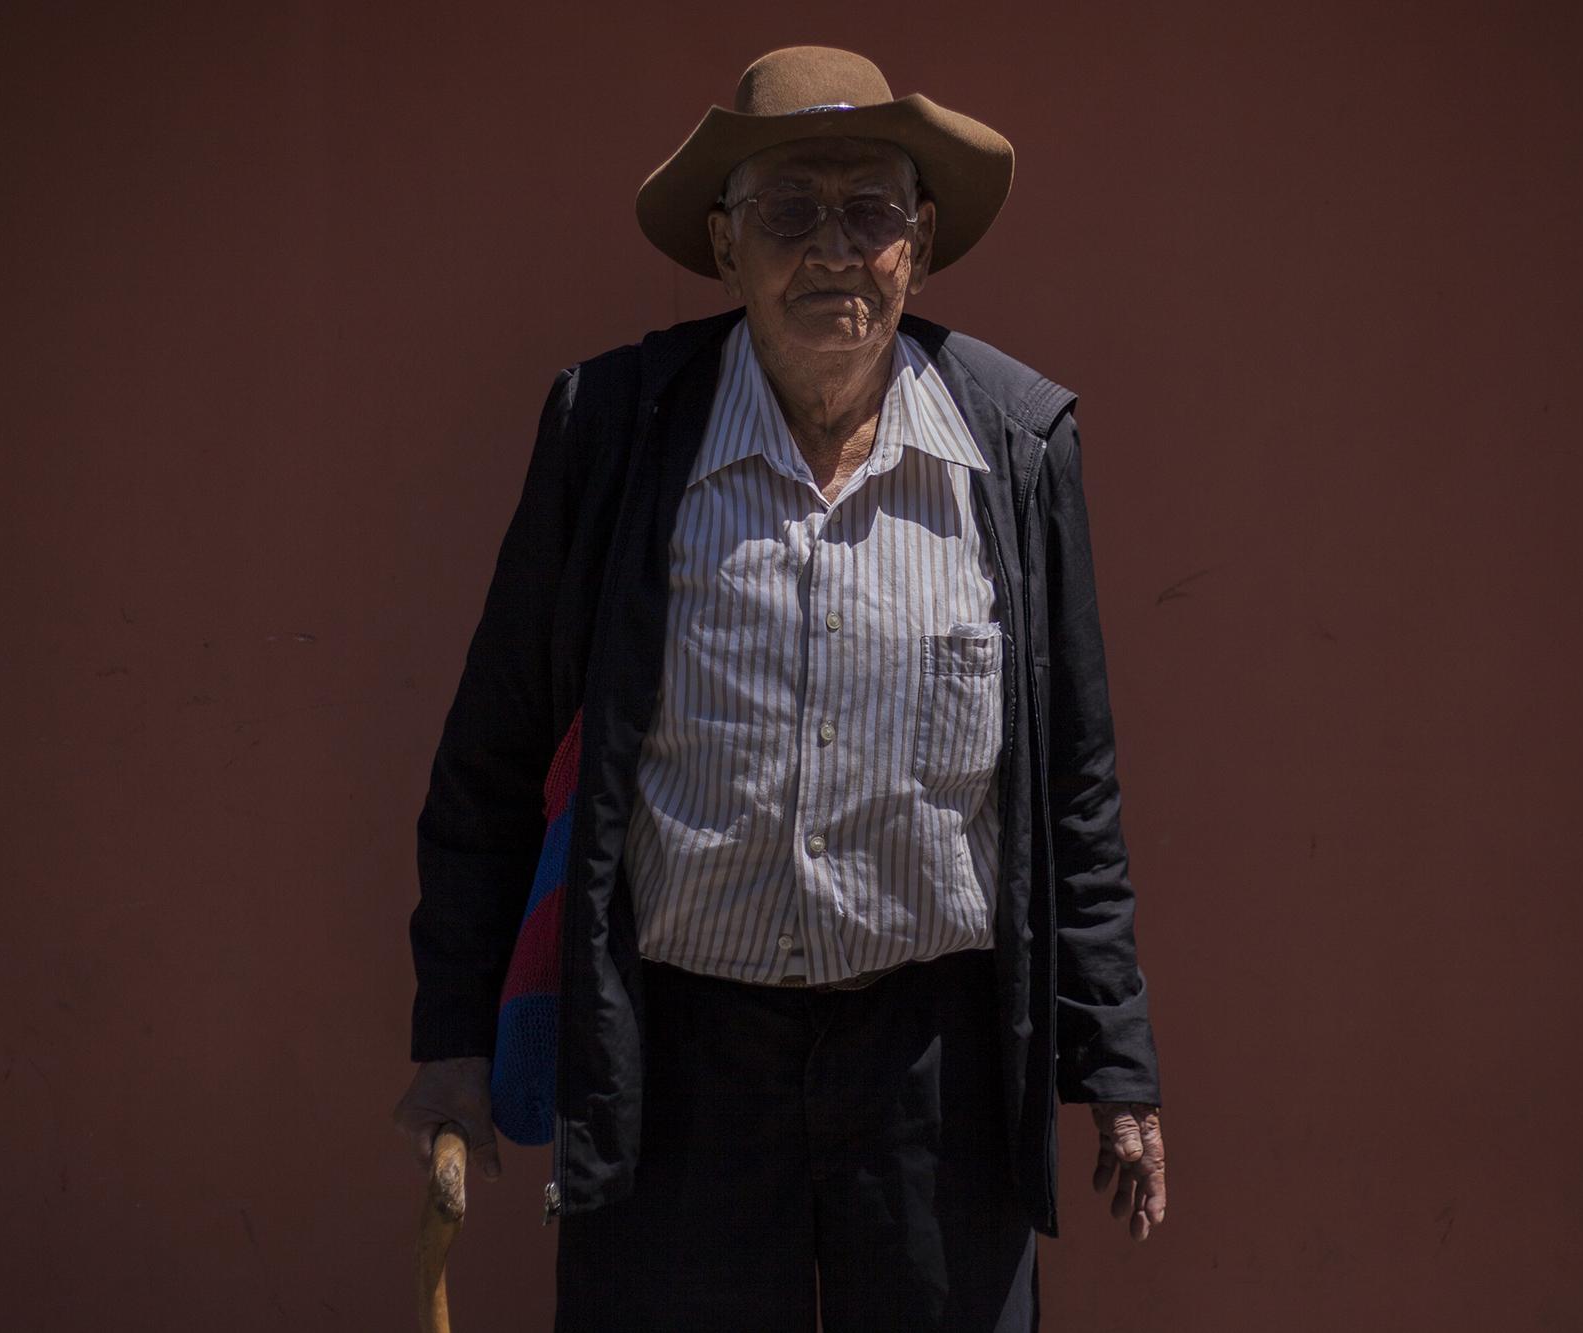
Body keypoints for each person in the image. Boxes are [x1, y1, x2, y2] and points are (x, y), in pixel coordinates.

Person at [392, 44, 1167, 1332]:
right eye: (788, 213)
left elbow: (1071, 785)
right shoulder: (614, 432)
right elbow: (495, 749)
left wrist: (1118, 1069)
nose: (832, 249)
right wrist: (453, 1036)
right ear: (723, 245)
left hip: (935, 1073)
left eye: (869, 212)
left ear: (917, 242)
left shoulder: (1015, 452)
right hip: (678, 1063)